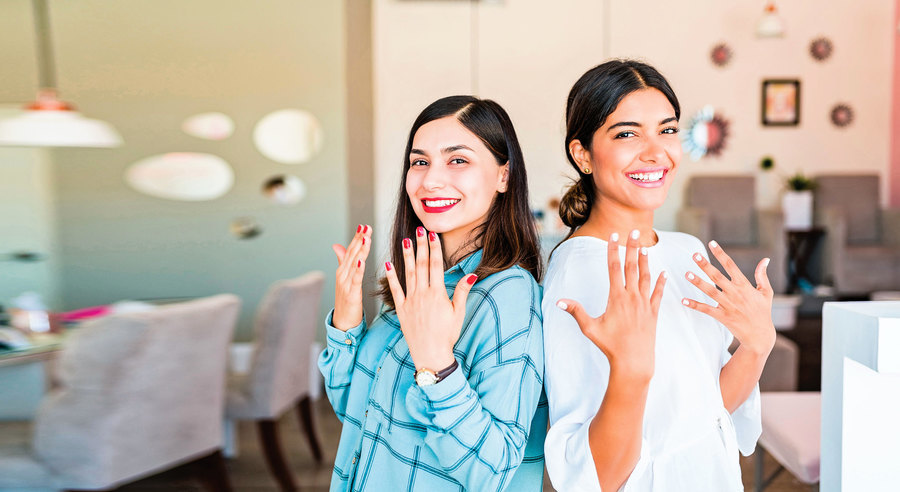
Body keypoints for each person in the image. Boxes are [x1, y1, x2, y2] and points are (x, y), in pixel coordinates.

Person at [542, 60, 775, 491]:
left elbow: (709, 408)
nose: (656, 152)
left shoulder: (686, 249)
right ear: (582, 154)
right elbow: (598, 479)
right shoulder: (577, 275)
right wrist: (630, 371)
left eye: (667, 130)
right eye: (627, 134)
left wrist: (758, 345)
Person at [319, 95, 547, 491]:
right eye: (419, 161)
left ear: (504, 176)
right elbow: (354, 411)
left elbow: (491, 472)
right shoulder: (421, 281)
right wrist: (347, 319)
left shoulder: (507, 296)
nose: (430, 180)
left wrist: (436, 365)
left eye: (458, 160)